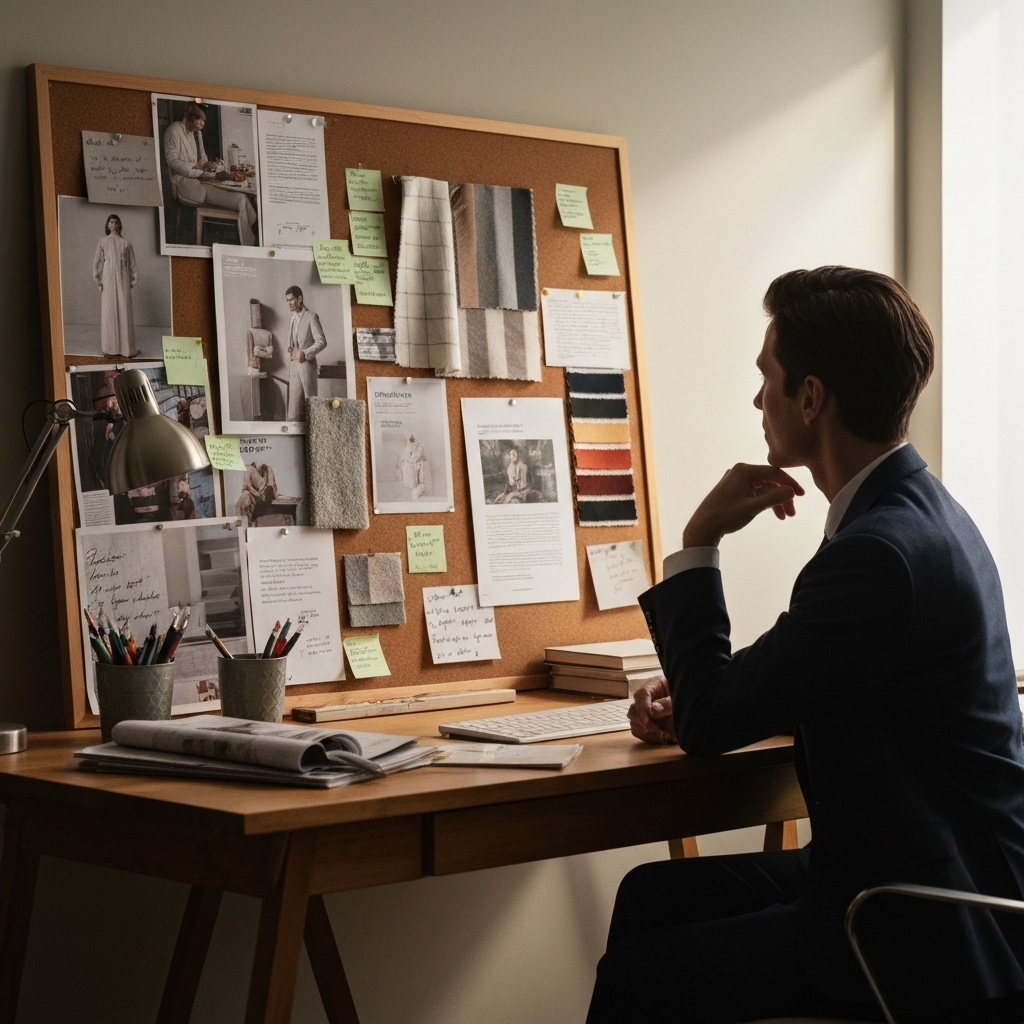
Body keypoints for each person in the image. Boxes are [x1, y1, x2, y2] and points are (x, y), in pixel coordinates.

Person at [588, 267, 1024, 1024]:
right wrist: (704, 692)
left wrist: (699, 542)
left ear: (813, 398)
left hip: (929, 919)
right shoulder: (919, 511)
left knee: (638, 976)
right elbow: (849, 679)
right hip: (924, 869)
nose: (759, 401)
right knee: (649, 895)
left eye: (769, 379)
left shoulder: (880, 550)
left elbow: (712, 724)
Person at [162, 101, 257, 246]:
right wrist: (197, 169)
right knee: (240, 200)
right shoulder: (174, 131)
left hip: (202, 181)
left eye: (204, 121)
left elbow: (203, 159)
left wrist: (208, 165)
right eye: (200, 120)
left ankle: (252, 232)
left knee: (243, 198)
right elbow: (172, 162)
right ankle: (249, 243)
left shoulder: (196, 133)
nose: (202, 125)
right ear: (190, 117)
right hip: (186, 185)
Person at [92, 214, 139, 357]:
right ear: (108, 225)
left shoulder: (126, 243)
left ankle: (127, 349)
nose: (114, 225)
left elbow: (133, 264)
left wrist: (133, 281)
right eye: (111, 222)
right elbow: (97, 262)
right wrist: (99, 280)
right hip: (108, 279)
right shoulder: (103, 242)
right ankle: (110, 349)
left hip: (123, 278)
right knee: (109, 311)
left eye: (116, 223)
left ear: (119, 225)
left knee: (124, 311)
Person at [284, 285, 327, 421]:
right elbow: (295, 340)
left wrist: (305, 353)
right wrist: (291, 348)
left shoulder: (311, 317)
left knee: (311, 408)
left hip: (307, 367)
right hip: (294, 367)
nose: (289, 303)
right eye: (287, 301)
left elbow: (322, 342)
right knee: (294, 412)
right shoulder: (292, 318)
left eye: (291, 300)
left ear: (300, 298)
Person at [396, 434, 429, 499]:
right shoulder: (405, 447)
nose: (411, 439)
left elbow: (416, 457)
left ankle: (415, 495)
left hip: (415, 467)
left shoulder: (419, 447)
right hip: (407, 467)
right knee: (407, 484)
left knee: (414, 484)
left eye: (413, 438)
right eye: (410, 438)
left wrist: (412, 458)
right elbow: (402, 457)